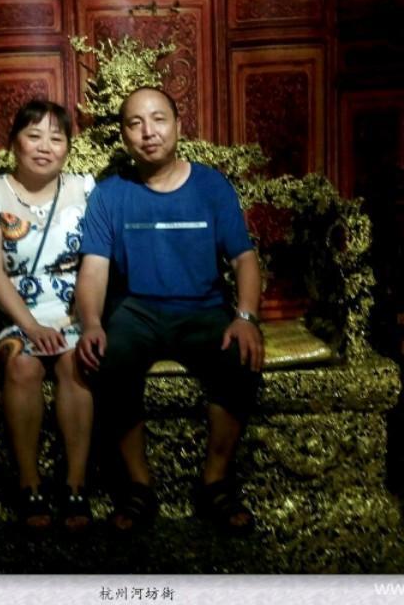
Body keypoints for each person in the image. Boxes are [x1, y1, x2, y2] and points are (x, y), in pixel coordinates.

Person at [75, 87, 264, 534]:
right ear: (124, 135)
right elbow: (94, 269)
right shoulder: (110, 194)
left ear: (178, 126)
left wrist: (245, 317)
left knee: (239, 358)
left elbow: (244, 258)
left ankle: (215, 481)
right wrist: (92, 323)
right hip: (137, 310)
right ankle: (138, 485)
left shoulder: (211, 186)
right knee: (108, 359)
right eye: (135, 123)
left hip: (203, 308)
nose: (148, 132)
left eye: (158, 119)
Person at [0, 100, 95, 533]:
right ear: (14, 142)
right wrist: (32, 326)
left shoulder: (86, 189)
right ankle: (29, 484)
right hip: (13, 308)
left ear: (68, 147)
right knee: (22, 364)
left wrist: (84, 316)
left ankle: (76, 485)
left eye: (56, 138)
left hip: (74, 306)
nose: (45, 146)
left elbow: (98, 261)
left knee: (76, 362)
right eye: (34, 135)